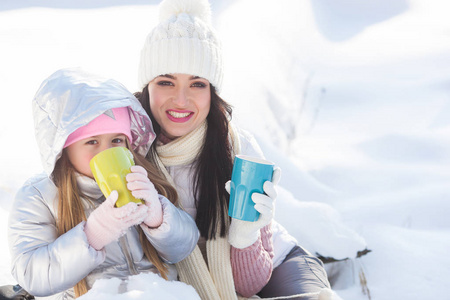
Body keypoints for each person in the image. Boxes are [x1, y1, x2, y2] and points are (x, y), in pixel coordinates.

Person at [134, 0, 333, 299]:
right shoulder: (127, 146)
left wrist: (244, 234)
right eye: (166, 82)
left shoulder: (236, 149)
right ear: (146, 86)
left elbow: (247, 286)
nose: (181, 100)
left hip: (276, 263)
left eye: (197, 84)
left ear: (212, 92)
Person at [8, 68, 199, 300]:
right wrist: (92, 235)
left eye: (117, 140)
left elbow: (183, 248)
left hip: (158, 292)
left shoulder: (141, 179)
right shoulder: (39, 196)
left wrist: (159, 216)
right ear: (64, 148)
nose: (106, 151)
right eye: (92, 141)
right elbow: (32, 274)